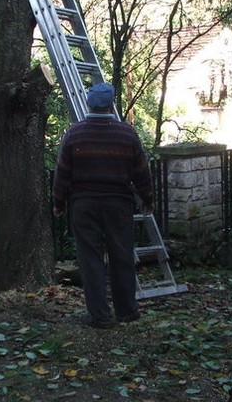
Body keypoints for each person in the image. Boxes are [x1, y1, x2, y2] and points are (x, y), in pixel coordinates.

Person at [52, 82, 154, 328]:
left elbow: (62, 172)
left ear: (89, 105)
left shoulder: (74, 134)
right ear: (111, 105)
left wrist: (58, 202)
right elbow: (141, 172)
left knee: (90, 259)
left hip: (83, 205)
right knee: (122, 256)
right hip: (118, 204)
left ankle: (99, 315)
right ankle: (126, 311)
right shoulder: (127, 134)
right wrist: (148, 200)